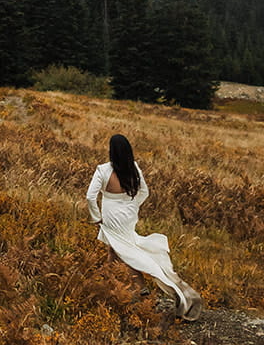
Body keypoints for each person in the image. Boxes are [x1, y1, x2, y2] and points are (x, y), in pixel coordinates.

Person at [86, 133, 203, 319]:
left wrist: (96, 217)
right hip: (128, 215)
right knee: (115, 250)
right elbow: (144, 191)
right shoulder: (133, 168)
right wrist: (132, 205)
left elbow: (90, 197)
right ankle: (110, 285)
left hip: (111, 215)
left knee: (126, 251)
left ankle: (140, 287)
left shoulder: (103, 170)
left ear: (111, 151)